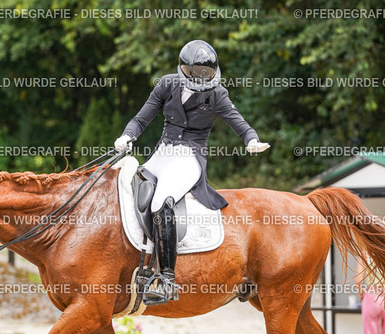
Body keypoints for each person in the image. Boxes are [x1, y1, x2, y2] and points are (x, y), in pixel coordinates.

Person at [114, 40, 270, 304]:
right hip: (162, 154)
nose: (202, 79)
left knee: (162, 201)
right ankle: (138, 261)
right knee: (131, 192)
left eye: (207, 74)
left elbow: (237, 121)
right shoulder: (167, 84)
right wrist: (127, 135)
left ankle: (166, 279)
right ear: (183, 70)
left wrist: (251, 139)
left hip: (189, 157)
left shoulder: (216, 93)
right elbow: (142, 118)